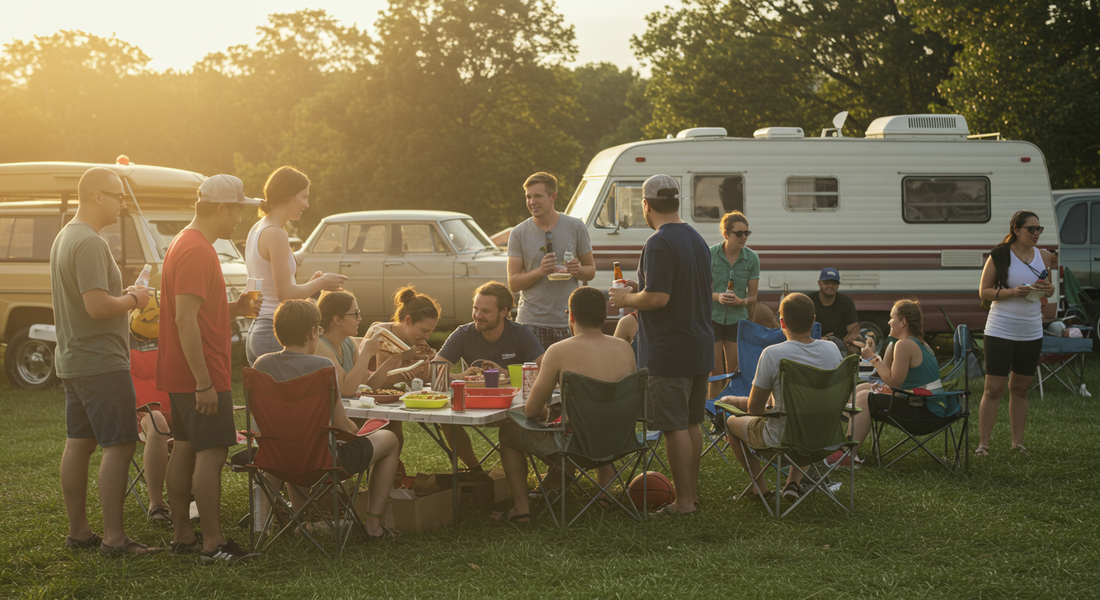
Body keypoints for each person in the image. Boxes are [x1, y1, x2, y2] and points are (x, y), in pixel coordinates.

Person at [50, 167, 160, 556]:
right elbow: (97, 307)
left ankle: (78, 532)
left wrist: (125, 294)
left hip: (74, 358)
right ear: (97, 196)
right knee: (120, 444)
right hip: (101, 360)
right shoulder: (91, 243)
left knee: (79, 444)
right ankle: (115, 539)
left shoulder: (65, 235)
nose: (122, 203)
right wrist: (135, 300)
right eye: (117, 195)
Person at [157, 174, 263, 564]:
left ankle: (184, 535)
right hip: (200, 373)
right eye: (237, 210)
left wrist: (234, 308)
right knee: (212, 453)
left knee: (184, 449)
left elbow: (196, 311)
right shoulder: (198, 250)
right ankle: (213, 543)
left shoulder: (183, 243)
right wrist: (204, 382)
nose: (239, 219)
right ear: (221, 208)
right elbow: (185, 320)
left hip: (184, 371)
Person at [608, 174, 713, 515]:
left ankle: (682, 503)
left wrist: (628, 296)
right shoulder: (696, 239)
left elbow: (659, 298)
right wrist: (641, 287)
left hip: (670, 349)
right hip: (699, 343)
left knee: (673, 426)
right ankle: (692, 495)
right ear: (678, 202)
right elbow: (674, 289)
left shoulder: (658, 242)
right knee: (692, 422)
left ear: (646, 205)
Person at [253, 300, 401, 540]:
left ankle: (300, 522)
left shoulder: (263, 364)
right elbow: (344, 427)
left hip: (277, 458)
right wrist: (361, 430)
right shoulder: (322, 366)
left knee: (297, 443)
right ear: (313, 331)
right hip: (323, 461)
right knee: (390, 439)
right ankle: (374, 527)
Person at [493, 287, 638, 522]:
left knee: (508, 432)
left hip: (576, 448)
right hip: (619, 443)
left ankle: (521, 510)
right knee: (591, 417)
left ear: (570, 316)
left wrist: (544, 413)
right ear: (604, 315)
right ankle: (602, 495)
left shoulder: (558, 351)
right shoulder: (625, 348)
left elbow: (531, 411)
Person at [721, 293, 843, 501]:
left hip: (782, 443)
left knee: (731, 422)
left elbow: (754, 410)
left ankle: (760, 489)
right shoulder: (832, 350)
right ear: (813, 320)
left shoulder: (773, 354)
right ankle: (792, 484)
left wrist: (760, 407)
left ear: (782, 322)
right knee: (807, 420)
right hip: (824, 440)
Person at [437, 281, 545, 469]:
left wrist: (506, 374)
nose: (478, 316)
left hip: (512, 408)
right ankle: (476, 472)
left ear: (504, 312)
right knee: (446, 420)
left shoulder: (520, 333)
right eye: (475, 308)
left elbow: (543, 368)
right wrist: (463, 376)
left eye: (485, 311)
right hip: (474, 403)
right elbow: (436, 370)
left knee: (513, 427)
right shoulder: (463, 333)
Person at [245, 166, 346, 365]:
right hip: (276, 332)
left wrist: (310, 285)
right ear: (287, 197)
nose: (307, 205)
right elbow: (285, 295)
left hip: (259, 329)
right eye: (304, 197)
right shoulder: (276, 233)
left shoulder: (258, 228)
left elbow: (276, 288)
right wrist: (322, 283)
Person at [828, 299, 942, 466]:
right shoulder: (916, 343)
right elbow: (883, 375)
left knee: (864, 397)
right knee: (862, 388)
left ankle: (848, 454)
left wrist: (873, 359)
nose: (888, 321)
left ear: (903, 322)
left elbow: (893, 382)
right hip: (925, 402)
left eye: (891, 317)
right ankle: (845, 441)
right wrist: (874, 354)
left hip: (924, 410)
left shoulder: (905, 345)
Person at [975, 210, 1053, 456]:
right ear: (1016, 230)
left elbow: (1047, 291)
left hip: (1031, 330)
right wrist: (1010, 293)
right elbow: (983, 291)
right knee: (994, 389)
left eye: (1039, 229)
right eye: (1031, 229)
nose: (1036, 233)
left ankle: (1017, 444)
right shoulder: (999, 255)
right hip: (1001, 328)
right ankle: (983, 445)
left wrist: (1048, 289)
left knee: (1020, 388)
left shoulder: (1044, 257)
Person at [332, 287, 439, 450]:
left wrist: (427, 363)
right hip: (363, 402)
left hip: (387, 402)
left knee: (397, 433)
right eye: (424, 331)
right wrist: (411, 371)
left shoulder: (413, 340)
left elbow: (422, 379)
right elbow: (379, 385)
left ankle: (393, 472)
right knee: (394, 432)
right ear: (408, 320)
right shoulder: (384, 335)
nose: (427, 337)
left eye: (430, 332)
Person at [507, 172, 595, 349]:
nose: (532, 202)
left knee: (567, 376)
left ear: (553, 196)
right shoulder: (519, 233)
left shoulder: (575, 226)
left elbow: (590, 270)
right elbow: (514, 283)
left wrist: (576, 269)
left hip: (568, 321)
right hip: (530, 323)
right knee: (532, 377)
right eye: (529, 197)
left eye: (538, 196)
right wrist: (540, 271)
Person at [708, 210, 760, 397]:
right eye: (739, 233)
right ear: (726, 234)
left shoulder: (752, 258)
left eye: (747, 233)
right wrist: (718, 297)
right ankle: (712, 412)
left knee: (735, 372)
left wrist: (741, 301)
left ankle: (732, 413)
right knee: (715, 372)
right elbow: (701, 291)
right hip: (712, 316)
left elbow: (753, 297)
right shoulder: (710, 254)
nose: (744, 237)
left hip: (737, 318)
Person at [810, 267, 860, 355]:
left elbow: (854, 331)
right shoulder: (809, 301)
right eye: (827, 282)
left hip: (839, 347)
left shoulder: (846, 302)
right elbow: (800, 327)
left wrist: (848, 339)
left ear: (838, 285)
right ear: (819, 283)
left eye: (834, 283)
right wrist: (820, 339)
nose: (830, 286)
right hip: (813, 344)